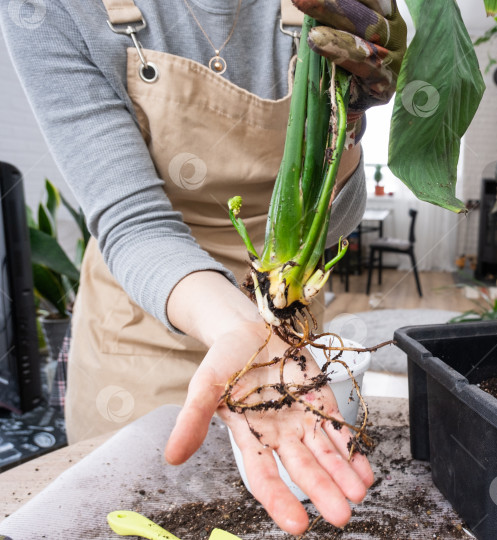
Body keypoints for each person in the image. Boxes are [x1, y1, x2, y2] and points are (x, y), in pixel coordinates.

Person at [0, 0, 406, 534]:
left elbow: (332, 222)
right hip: (144, 320)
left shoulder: (327, 7)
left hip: (283, 337)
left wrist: (348, 121)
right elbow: (133, 221)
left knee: (292, 510)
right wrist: (240, 326)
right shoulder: (50, 8)